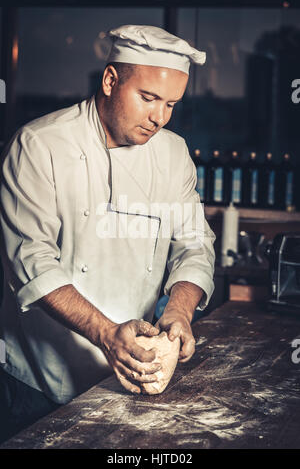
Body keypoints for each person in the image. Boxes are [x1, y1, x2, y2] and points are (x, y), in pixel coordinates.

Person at [0, 24, 215, 443]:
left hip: (129, 375)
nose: (159, 117)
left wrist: (180, 310)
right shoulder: (38, 145)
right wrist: (104, 332)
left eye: (172, 104)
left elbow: (194, 243)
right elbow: (32, 261)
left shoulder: (172, 153)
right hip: (40, 379)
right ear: (111, 80)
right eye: (148, 98)